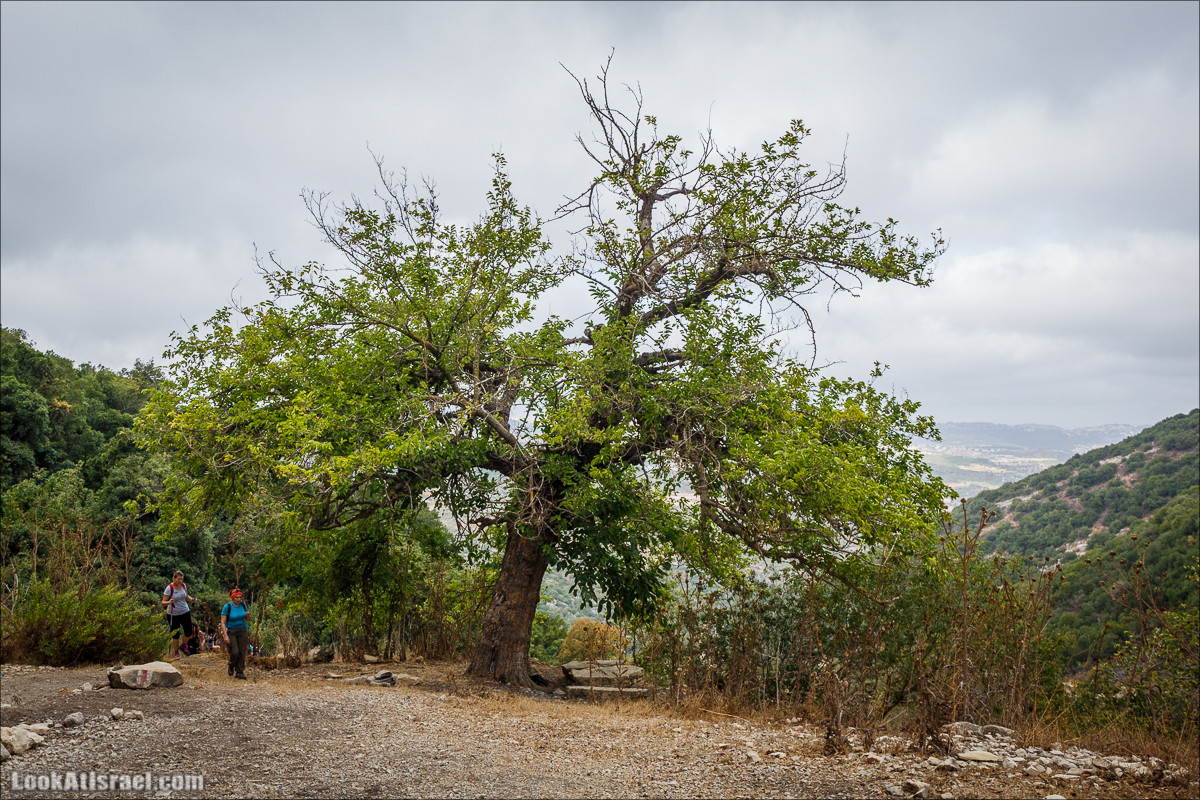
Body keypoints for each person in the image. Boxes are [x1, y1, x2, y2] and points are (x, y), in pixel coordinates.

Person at [161, 571, 196, 659]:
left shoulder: (183, 586)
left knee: (189, 631)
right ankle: (176, 652)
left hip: (184, 611)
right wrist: (169, 602)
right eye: (178, 579)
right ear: (174, 578)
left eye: (181, 579)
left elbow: (186, 596)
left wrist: (191, 599)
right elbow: (163, 602)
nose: (180, 581)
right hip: (173, 613)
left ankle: (183, 646)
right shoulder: (169, 588)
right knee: (175, 633)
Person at [220, 588, 250, 680]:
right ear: (232, 598)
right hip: (231, 631)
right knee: (235, 651)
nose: (238, 599)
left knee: (242, 651)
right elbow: (223, 622)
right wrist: (225, 636)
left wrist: (248, 615)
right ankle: (231, 665)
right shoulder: (227, 607)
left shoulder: (243, 606)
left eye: (240, 597)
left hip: (242, 630)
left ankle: (239, 671)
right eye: (236, 597)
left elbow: (247, 619)